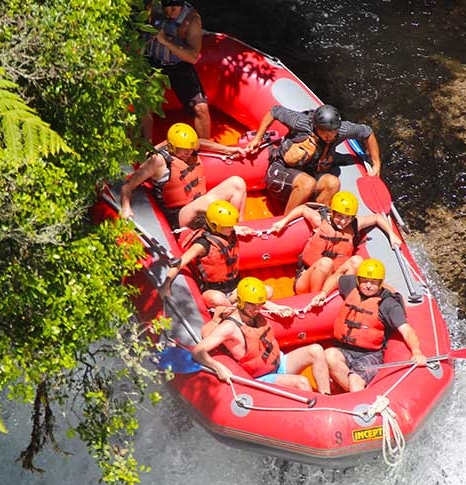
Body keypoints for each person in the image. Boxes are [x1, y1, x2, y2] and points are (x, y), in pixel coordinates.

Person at [192, 277, 331, 392]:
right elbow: (198, 351)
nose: (257, 309)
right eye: (253, 305)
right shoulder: (230, 327)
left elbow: (261, 304)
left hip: (278, 363)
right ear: (241, 302)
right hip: (261, 377)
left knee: (316, 350)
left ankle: (326, 399)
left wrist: (276, 307)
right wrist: (218, 367)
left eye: (260, 304)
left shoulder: (255, 310)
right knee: (302, 382)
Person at [313, 258, 427, 393]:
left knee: (355, 382)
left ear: (380, 284)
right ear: (358, 280)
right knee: (329, 354)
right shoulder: (352, 286)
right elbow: (338, 279)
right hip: (345, 349)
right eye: (365, 281)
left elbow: (407, 331)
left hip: (370, 354)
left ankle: (358, 396)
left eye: (373, 283)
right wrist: (323, 293)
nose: (368, 285)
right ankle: (350, 389)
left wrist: (416, 352)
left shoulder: (388, 304)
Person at [243, 103, 382, 213]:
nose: (330, 137)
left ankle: (313, 219)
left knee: (333, 183)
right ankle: (289, 222)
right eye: (325, 133)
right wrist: (257, 139)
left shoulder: (342, 130)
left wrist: (376, 164)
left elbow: (367, 132)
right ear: (316, 127)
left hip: (310, 172)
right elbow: (274, 111)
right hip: (281, 171)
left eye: (333, 133)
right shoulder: (301, 123)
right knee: (307, 183)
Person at [161, 200, 291, 315]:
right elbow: (179, 263)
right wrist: (165, 285)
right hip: (213, 290)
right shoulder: (202, 245)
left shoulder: (230, 231)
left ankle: (252, 306)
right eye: (227, 227)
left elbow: (234, 228)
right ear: (214, 226)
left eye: (231, 225)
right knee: (217, 299)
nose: (231, 228)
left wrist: (240, 229)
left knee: (267, 291)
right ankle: (243, 310)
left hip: (235, 287)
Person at [268, 191, 403, 294]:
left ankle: (349, 295)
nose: (343, 222)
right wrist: (283, 222)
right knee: (326, 262)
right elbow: (303, 209)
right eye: (339, 217)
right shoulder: (320, 220)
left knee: (357, 260)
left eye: (347, 218)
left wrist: (391, 234)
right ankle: (316, 298)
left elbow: (377, 218)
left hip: (334, 279)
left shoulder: (354, 224)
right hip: (308, 278)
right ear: (332, 213)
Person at [120, 122, 247, 228]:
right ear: (172, 147)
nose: (189, 152)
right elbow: (128, 186)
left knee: (237, 183)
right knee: (209, 201)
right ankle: (232, 228)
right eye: (185, 150)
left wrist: (227, 149)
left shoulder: (189, 147)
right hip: (178, 215)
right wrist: (126, 208)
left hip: (199, 202)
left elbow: (200, 143)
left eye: (191, 149)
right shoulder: (158, 161)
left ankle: (236, 224)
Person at [143, 0, 211, 141]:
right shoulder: (154, 10)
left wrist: (165, 41)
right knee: (145, 106)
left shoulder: (191, 19)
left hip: (179, 65)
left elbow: (193, 57)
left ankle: (207, 150)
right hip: (154, 63)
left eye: (174, 9)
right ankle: (145, 147)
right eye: (167, 9)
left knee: (201, 108)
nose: (170, 13)